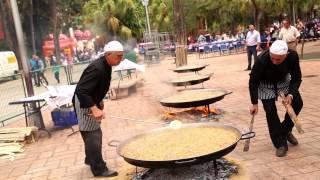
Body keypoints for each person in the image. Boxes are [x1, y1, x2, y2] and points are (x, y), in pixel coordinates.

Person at [72, 41, 124, 177]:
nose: (120, 59)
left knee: (89, 133)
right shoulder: (97, 68)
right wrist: (94, 108)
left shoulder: (106, 64)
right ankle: (99, 169)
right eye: (118, 56)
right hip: (84, 102)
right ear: (108, 54)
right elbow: (81, 91)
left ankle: (90, 159)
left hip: (90, 100)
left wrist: (99, 101)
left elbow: (96, 86)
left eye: (121, 56)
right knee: (94, 135)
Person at [249, 40, 303, 157]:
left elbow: (297, 78)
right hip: (265, 84)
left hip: (283, 80)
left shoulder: (292, 56)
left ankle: (285, 130)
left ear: (286, 55)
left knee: (298, 103)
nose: (274, 61)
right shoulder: (261, 59)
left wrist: (291, 94)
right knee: (270, 111)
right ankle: (280, 144)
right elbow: (253, 81)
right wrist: (254, 103)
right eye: (272, 58)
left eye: (278, 59)